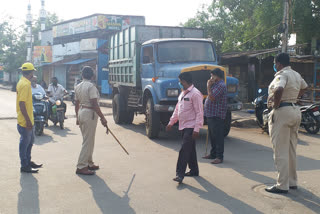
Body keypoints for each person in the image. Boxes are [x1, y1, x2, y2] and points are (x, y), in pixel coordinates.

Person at [265, 53, 308, 194]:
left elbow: (278, 89)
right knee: (291, 149)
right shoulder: (296, 74)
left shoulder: (281, 75)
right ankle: (292, 181)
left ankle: (282, 184)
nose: (274, 65)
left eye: (274, 63)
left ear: (278, 63)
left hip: (282, 112)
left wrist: (276, 105)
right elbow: (304, 87)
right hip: (295, 110)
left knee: (280, 150)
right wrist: (295, 97)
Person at [166, 72, 204, 184]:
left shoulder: (195, 94)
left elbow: (199, 113)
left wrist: (197, 129)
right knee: (190, 149)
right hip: (184, 125)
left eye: (180, 81)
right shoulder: (182, 94)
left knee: (184, 150)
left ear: (185, 81)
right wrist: (171, 122)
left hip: (191, 126)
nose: (179, 83)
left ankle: (179, 174)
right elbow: (177, 110)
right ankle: (194, 170)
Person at [74, 66, 108, 175]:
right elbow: (94, 104)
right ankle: (81, 166)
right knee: (88, 141)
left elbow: (76, 103)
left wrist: (77, 117)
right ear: (92, 75)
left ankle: (89, 163)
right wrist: (103, 117)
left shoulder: (78, 86)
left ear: (82, 75)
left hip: (81, 112)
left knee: (88, 139)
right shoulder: (91, 87)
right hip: (89, 114)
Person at [16, 62, 42, 173]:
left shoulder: (22, 82)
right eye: (33, 72)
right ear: (31, 73)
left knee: (30, 142)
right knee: (25, 143)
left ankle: (28, 161)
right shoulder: (25, 84)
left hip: (28, 118)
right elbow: (22, 104)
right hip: (25, 120)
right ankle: (24, 166)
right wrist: (27, 121)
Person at [202, 68, 227, 164]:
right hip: (211, 114)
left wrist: (208, 86)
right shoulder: (215, 84)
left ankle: (219, 157)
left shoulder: (221, 85)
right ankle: (213, 153)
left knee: (218, 136)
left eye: (212, 75)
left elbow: (212, 97)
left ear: (217, 76)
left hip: (217, 114)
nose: (211, 77)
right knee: (212, 136)